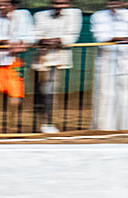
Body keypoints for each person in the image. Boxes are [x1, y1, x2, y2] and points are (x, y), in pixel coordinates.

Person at [93, 0, 128, 129]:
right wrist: (120, 39)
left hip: (126, 60)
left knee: (127, 94)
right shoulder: (98, 16)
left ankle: (125, 128)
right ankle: (103, 128)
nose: (115, 2)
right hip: (106, 60)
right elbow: (100, 37)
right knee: (105, 93)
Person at [32, 0, 81, 133]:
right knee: (40, 93)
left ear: (68, 4)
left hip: (58, 59)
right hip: (40, 58)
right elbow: (35, 35)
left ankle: (49, 122)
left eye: (62, 3)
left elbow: (71, 36)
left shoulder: (74, 14)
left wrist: (58, 41)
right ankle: (39, 123)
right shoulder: (40, 15)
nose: (58, 6)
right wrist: (42, 41)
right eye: (56, 3)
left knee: (50, 91)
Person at [0, 0, 33, 102]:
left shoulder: (24, 15)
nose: (1, 8)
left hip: (16, 60)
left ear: (14, 6)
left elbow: (30, 37)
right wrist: (7, 43)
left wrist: (19, 43)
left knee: (15, 94)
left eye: (5, 5)